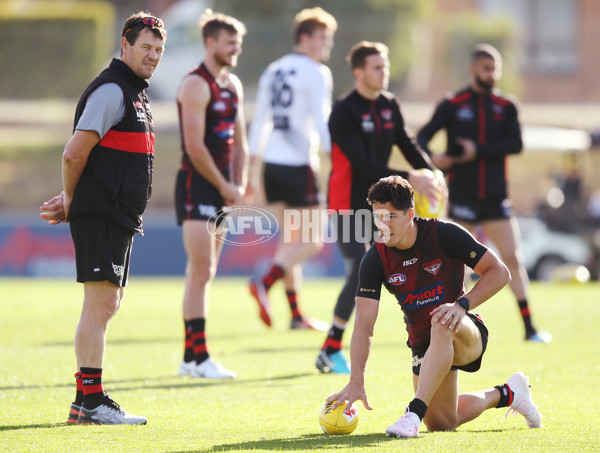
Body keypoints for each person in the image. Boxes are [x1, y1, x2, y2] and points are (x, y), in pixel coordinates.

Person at [326, 175, 543, 438]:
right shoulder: (375, 258)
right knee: (442, 422)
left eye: (391, 217)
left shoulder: (444, 234)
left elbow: (499, 272)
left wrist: (462, 305)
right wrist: (356, 379)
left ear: (410, 214)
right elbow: (364, 323)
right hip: (423, 345)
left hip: (463, 330)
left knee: (440, 320)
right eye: (378, 216)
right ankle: (509, 393)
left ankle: (413, 414)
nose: (383, 225)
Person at [39, 12, 166, 424]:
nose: (152, 56)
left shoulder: (135, 92)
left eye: (159, 50)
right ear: (125, 45)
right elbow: (74, 152)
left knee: (108, 303)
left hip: (118, 213)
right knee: (100, 304)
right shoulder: (113, 90)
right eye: (145, 47)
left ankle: (85, 400)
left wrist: (72, 197)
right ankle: (90, 401)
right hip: (102, 211)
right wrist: (72, 199)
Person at [316, 41, 444, 374]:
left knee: (412, 263)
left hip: (383, 209)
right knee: (361, 268)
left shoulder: (389, 104)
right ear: (358, 72)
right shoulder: (343, 112)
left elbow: (408, 144)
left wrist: (432, 173)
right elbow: (360, 164)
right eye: (376, 67)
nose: (383, 72)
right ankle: (331, 348)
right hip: (348, 206)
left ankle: (426, 339)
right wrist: (411, 177)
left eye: (385, 66)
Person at [416, 43, 551, 343]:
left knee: (512, 258)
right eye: (486, 68)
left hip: (495, 200)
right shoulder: (453, 103)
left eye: (496, 69)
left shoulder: (506, 106)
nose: (492, 74)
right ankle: (455, 323)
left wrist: (476, 152)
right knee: (457, 264)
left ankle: (529, 327)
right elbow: (421, 138)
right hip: (461, 198)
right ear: (472, 69)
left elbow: (515, 144)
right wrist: (435, 159)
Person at [247, 7, 337, 331]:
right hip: (299, 165)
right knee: (311, 241)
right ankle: (264, 283)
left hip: (272, 164)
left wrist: (253, 168)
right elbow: (323, 121)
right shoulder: (315, 72)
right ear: (305, 37)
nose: (328, 45)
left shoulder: (273, 70)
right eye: (323, 37)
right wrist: (332, 160)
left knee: (291, 242)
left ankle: (296, 315)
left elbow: (260, 122)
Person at [174, 11, 248, 379]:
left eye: (238, 42)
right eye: (229, 42)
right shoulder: (194, 85)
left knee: (206, 271)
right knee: (201, 270)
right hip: (197, 185)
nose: (235, 48)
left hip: (223, 189)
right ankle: (199, 357)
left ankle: (191, 357)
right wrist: (223, 184)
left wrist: (241, 182)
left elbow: (240, 144)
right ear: (210, 43)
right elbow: (194, 147)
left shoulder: (233, 84)